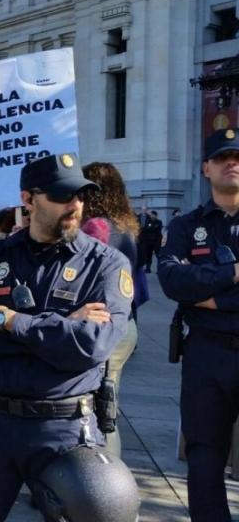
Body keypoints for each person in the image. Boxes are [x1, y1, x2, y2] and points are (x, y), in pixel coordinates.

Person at [0, 153, 131, 521]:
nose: (74, 204)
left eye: (80, 195)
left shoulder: (105, 264)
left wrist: (10, 320)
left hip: (63, 429)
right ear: (28, 200)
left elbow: (91, 345)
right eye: (62, 196)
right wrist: (62, 323)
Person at [159, 127, 239, 521]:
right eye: (223, 157)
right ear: (206, 168)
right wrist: (235, 274)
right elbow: (173, 281)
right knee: (204, 455)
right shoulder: (186, 226)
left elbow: (191, 283)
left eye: (238, 157)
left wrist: (208, 292)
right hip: (206, 354)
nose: (232, 164)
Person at [80, 162, 145, 459]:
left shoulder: (96, 226)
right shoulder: (126, 226)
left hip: (101, 324)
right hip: (124, 324)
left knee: (97, 410)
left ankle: (104, 482)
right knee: (107, 405)